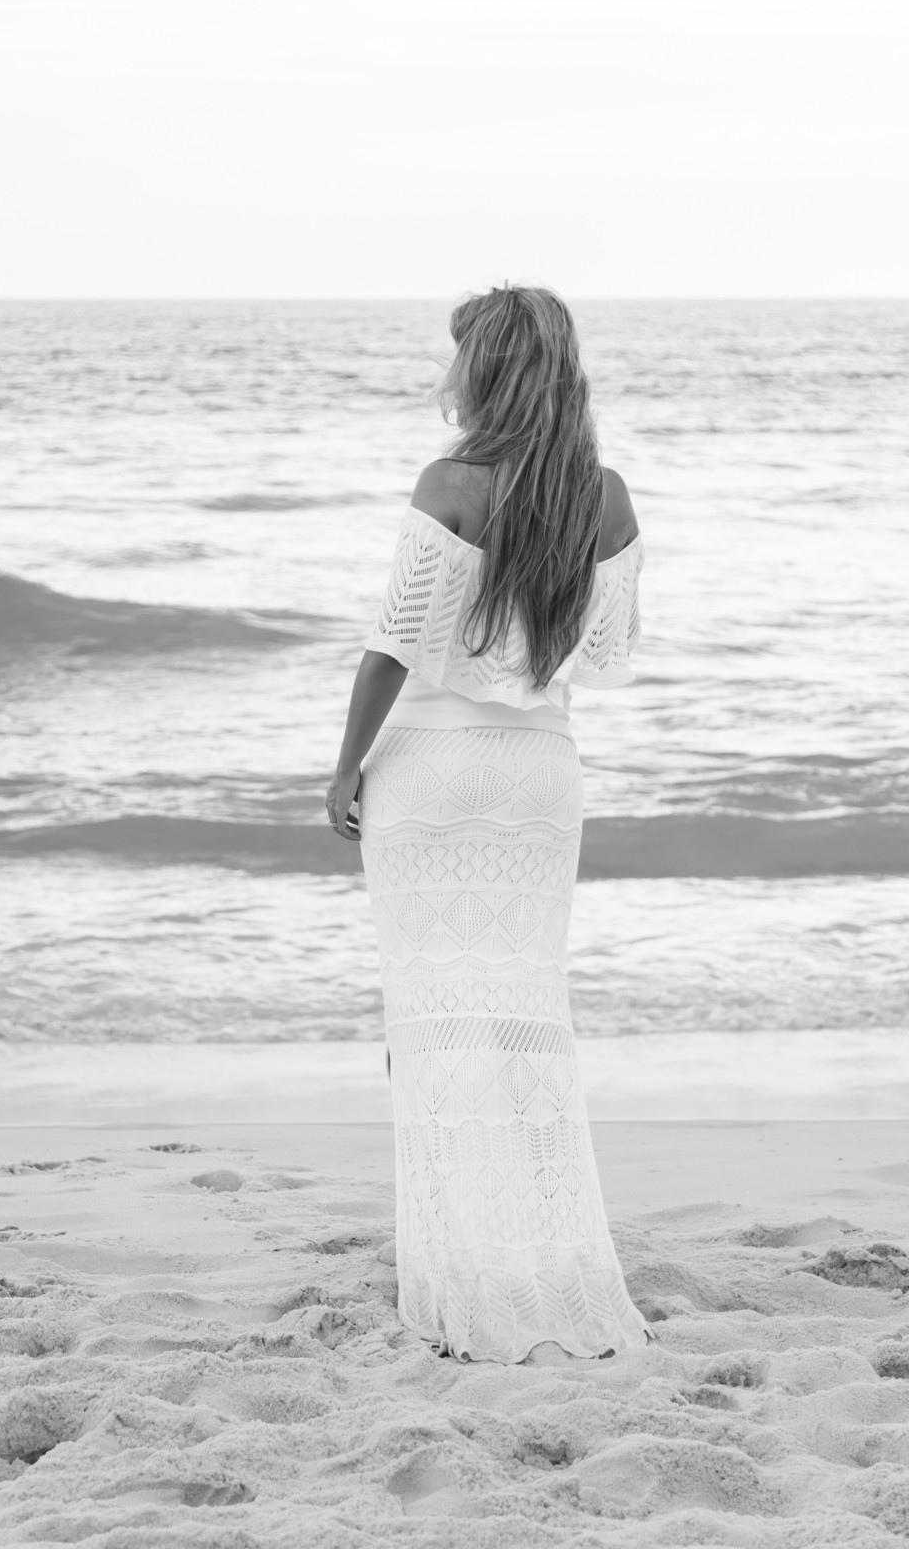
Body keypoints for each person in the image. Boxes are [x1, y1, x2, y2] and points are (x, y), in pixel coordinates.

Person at [326, 285, 650, 1364]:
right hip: (539, 777)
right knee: (525, 1018)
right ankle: (540, 1253)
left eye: (462, 354)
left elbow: (394, 644)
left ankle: (454, 1264)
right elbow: (603, 651)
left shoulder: (451, 483)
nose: (452, 372)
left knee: (428, 1019)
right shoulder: (604, 498)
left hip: (433, 769)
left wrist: (345, 766)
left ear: (492, 369)